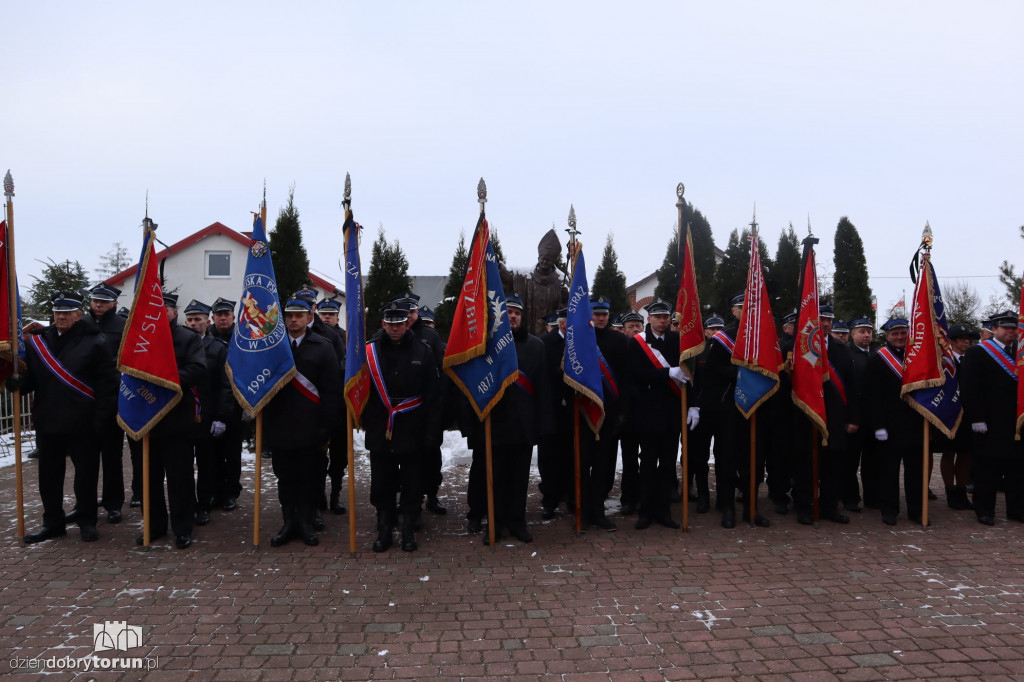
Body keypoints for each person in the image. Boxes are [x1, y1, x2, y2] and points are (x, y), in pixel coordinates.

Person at [14, 291, 118, 544]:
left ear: (79, 314)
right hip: (48, 420)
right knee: (48, 476)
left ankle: (87, 521)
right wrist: (16, 382)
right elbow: (31, 382)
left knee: (85, 476)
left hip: (84, 421)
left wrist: (101, 420)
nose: (61, 316)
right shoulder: (39, 342)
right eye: (58, 312)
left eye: (67, 312)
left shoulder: (96, 342)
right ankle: (53, 523)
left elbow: (108, 385)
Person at [465, 293, 547, 542]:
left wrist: (542, 425)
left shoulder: (536, 346)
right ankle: (496, 522)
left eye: (517, 313)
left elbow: (543, 389)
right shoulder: (485, 345)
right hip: (494, 423)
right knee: (495, 477)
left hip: (522, 424)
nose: (512, 316)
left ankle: (517, 522)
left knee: (519, 477)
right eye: (508, 312)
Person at [264, 294, 342, 547]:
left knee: (308, 478)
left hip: (311, 426)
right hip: (280, 425)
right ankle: (289, 523)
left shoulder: (323, 346)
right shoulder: (273, 347)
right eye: (289, 316)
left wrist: (325, 426)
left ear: (309, 318)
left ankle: (306, 523)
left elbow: (331, 390)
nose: (293, 320)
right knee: (285, 478)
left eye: (299, 316)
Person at [363, 300, 440, 552]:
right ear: (383, 324)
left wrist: (431, 432)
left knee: (412, 483)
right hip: (381, 427)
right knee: (382, 483)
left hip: (412, 427)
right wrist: (367, 422)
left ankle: (408, 530)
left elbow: (432, 395)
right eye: (390, 324)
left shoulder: (423, 351)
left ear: (408, 323)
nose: (394, 328)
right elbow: (362, 392)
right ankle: (385, 528)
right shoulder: (370, 352)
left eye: (399, 323)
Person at [137, 293, 207, 549]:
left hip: (176, 419)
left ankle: (182, 528)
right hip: (144, 419)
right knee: (148, 478)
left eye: (163, 309)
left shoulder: (188, 339)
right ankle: (154, 527)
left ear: (174, 313)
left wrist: (162, 379)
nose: (158, 313)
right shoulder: (139, 340)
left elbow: (198, 368)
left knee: (180, 478)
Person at [696, 294, 769, 528]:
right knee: (727, 459)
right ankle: (728, 508)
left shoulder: (763, 335)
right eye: (741, 307)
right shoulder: (723, 337)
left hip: (756, 407)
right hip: (729, 407)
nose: (746, 311)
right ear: (734, 311)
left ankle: (751, 508)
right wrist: (742, 375)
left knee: (754, 462)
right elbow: (712, 369)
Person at [626, 299, 688, 530]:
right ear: (649, 319)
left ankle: (664, 511)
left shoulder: (678, 341)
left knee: (668, 464)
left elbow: (688, 373)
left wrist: (691, 402)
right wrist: (666, 373)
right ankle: (646, 511)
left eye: (666, 317)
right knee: (649, 463)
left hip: (672, 411)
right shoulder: (637, 343)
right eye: (658, 317)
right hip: (649, 411)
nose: (662, 321)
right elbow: (635, 374)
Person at [961, 311, 1021, 525]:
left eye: (1014, 328)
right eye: (1005, 328)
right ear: (994, 329)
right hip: (989, 421)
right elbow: (969, 388)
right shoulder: (978, 352)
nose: (1011, 331)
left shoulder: (1020, 353)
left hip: (1017, 421)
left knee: (1017, 468)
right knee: (987, 468)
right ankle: (984, 510)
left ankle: (1017, 509)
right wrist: (976, 417)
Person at [866, 317, 924, 526]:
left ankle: (917, 511)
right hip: (889, 427)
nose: (900, 337)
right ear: (887, 336)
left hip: (916, 424)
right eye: (895, 334)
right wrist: (878, 425)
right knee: (888, 472)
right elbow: (872, 397)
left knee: (916, 473)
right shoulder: (877, 359)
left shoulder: (918, 357)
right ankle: (889, 510)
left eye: (903, 333)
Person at [182, 300, 233, 527]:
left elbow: (225, 385)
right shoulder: (179, 345)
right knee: (182, 466)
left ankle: (204, 505)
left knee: (207, 465)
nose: (194, 323)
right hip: (182, 415)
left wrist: (221, 416)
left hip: (207, 416)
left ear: (207, 322)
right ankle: (187, 504)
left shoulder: (219, 348)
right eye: (190, 320)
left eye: (198, 319)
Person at [582, 296, 629, 531]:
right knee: (582, 463)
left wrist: (622, 411)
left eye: (604, 314)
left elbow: (627, 379)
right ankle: (581, 509)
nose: (600, 318)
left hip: (609, 413)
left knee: (604, 464)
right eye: (596, 313)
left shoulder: (619, 341)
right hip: (584, 413)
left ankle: (598, 511)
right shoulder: (578, 339)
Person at [85, 283, 127, 524]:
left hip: (112, 400)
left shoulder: (123, 327)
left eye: (103, 301)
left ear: (114, 304)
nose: (97, 305)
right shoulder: (82, 326)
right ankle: (86, 503)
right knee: (85, 459)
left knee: (112, 457)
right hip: (84, 401)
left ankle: (113, 503)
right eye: (94, 300)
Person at [208, 296, 244, 511]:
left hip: (236, 403)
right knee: (211, 454)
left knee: (232, 453)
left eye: (226, 315)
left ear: (233, 317)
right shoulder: (204, 339)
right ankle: (214, 492)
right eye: (219, 315)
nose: (223, 318)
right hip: (212, 403)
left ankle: (231, 492)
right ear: (213, 318)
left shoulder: (242, 339)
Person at [936, 324, 977, 510]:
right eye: (961, 338)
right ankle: (950, 491)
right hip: (949, 412)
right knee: (949, 452)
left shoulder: (973, 359)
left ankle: (961, 490)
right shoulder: (944, 361)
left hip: (968, 414)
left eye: (968, 338)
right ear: (951, 341)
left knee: (965, 453)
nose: (966, 342)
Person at [538, 308, 574, 518]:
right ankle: (549, 500)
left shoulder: (579, 343)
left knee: (571, 456)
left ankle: (570, 496)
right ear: (561, 324)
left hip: (572, 409)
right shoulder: (544, 344)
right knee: (549, 458)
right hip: (550, 409)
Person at [316, 295, 349, 515]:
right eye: (323, 314)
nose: (327, 318)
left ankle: (336, 495)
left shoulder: (347, 339)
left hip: (341, 406)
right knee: (317, 457)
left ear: (338, 317)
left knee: (339, 457)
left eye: (331, 314)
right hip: (317, 406)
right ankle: (319, 498)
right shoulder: (314, 336)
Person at [847, 315, 878, 509]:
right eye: (862, 331)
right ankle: (850, 498)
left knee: (873, 462)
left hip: (873, 418)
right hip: (854, 417)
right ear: (852, 334)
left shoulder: (877, 355)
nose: (866, 335)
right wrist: (852, 418)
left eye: (869, 331)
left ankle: (872, 497)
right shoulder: (846, 354)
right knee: (850, 462)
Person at [616, 310, 645, 515]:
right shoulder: (619, 349)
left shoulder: (650, 347)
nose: (635, 329)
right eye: (631, 327)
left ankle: (646, 495)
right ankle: (628, 498)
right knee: (629, 458)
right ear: (624, 330)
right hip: (626, 412)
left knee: (650, 457)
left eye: (638, 326)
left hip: (649, 411)